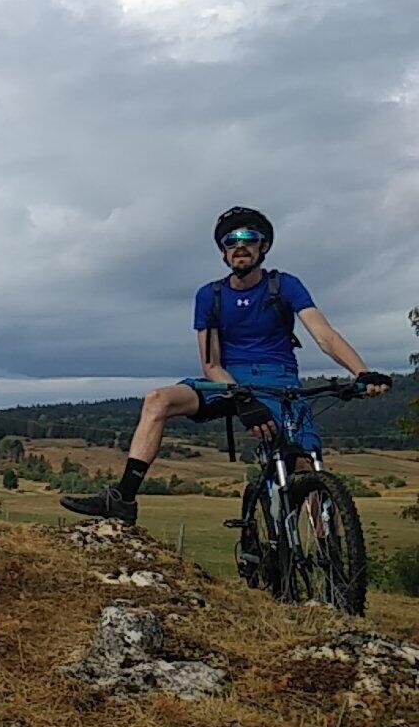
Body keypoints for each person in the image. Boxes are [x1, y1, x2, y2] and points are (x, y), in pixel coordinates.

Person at [61, 207, 391, 524]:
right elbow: (211, 364)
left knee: (306, 468)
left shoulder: (285, 285)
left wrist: (361, 372)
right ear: (223, 252)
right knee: (157, 400)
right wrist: (243, 399)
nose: (239, 246)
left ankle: (329, 552)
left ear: (263, 246)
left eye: (249, 238)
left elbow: (325, 335)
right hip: (227, 382)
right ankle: (123, 498)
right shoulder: (210, 295)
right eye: (230, 241)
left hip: (280, 383)